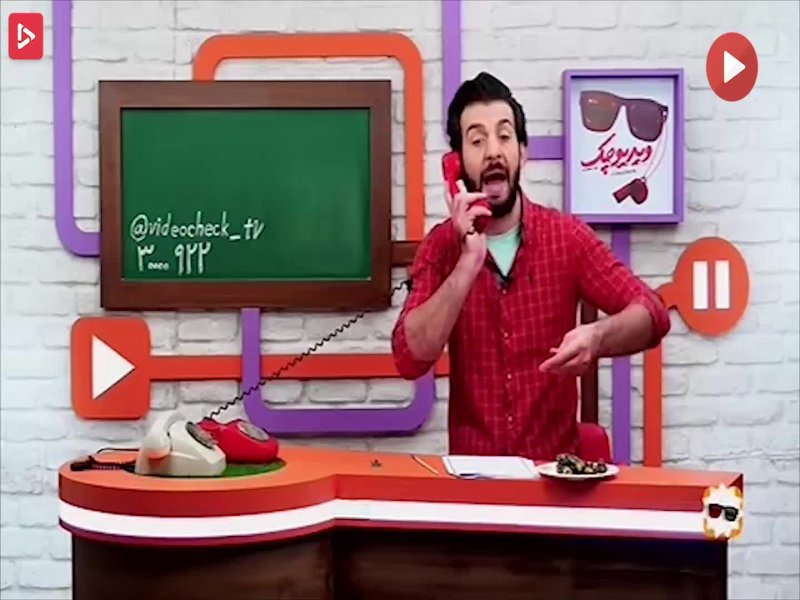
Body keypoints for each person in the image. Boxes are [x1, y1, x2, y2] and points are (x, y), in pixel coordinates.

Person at [391, 72, 671, 461]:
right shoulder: (441, 247)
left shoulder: (566, 237)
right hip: (476, 482)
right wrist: (467, 263)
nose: (493, 151)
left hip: (553, 478)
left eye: (504, 136)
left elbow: (653, 314)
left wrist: (597, 337)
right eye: (477, 140)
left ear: (523, 153)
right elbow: (409, 357)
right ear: (456, 164)